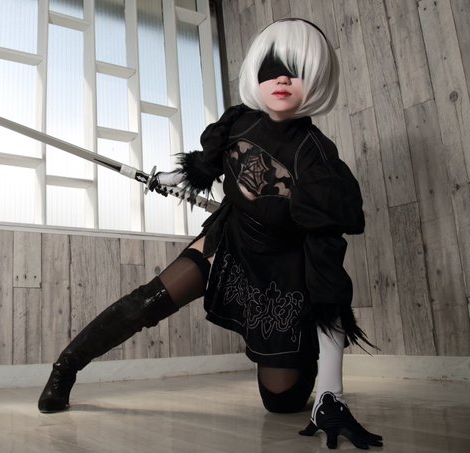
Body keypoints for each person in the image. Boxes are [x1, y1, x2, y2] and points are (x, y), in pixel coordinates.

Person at [38, 18, 383, 450]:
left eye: (295, 70)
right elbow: (206, 168)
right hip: (229, 239)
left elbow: (329, 288)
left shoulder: (318, 162)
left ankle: (305, 369)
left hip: (280, 273)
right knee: (150, 299)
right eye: (273, 68)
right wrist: (170, 177)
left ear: (316, 79)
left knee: (281, 402)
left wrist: (332, 391)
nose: (281, 79)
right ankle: (65, 369)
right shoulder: (238, 123)